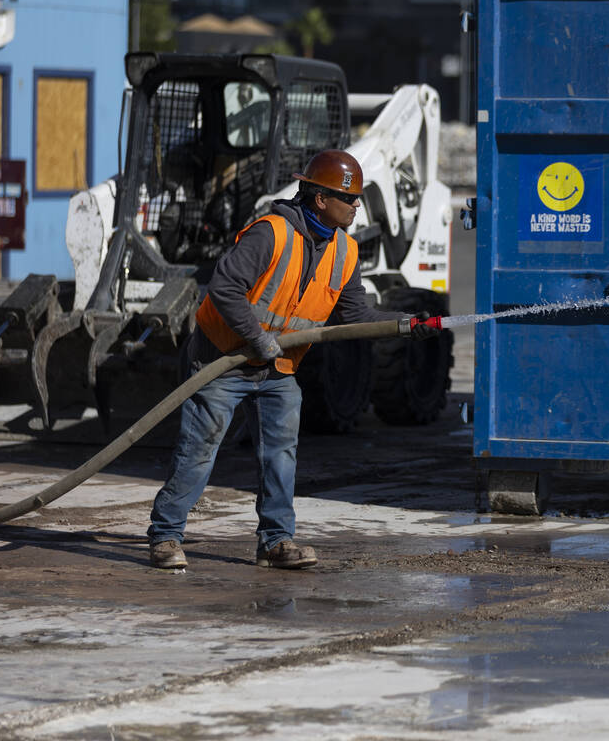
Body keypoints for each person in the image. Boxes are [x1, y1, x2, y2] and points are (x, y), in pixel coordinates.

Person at [147, 149, 437, 570]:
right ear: (320, 199)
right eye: (350, 197)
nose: (357, 205)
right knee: (199, 450)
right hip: (222, 358)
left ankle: (276, 542)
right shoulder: (271, 234)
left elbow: (356, 316)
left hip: (279, 368)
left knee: (280, 453)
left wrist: (408, 323)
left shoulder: (346, 252)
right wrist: (257, 338)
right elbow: (224, 289)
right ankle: (165, 536)